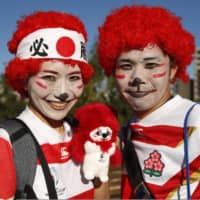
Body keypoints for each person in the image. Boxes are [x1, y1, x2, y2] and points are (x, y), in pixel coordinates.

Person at [0, 11, 109, 199]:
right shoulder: (6, 142)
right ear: (24, 79)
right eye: (49, 77)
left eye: (74, 78)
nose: (63, 92)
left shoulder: (85, 134)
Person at [97, 5, 200, 199]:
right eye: (126, 66)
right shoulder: (126, 129)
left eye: (151, 65)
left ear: (173, 70)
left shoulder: (195, 120)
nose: (137, 77)